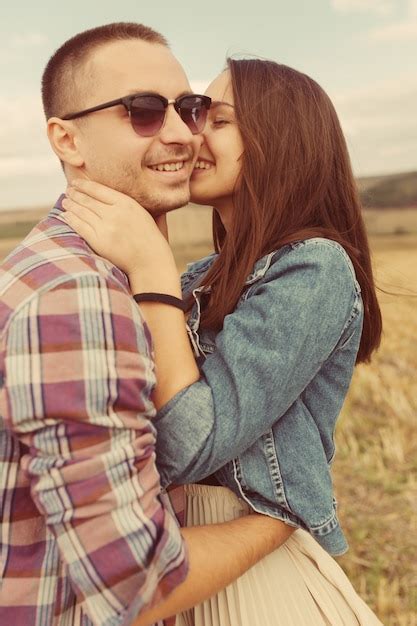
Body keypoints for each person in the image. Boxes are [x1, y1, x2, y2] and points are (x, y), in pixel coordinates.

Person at [62, 59, 384, 625]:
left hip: (254, 571)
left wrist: (151, 270)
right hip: (182, 557)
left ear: (281, 140)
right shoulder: (201, 278)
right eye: (193, 112)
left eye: (216, 118)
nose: (189, 133)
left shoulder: (315, 267)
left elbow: (189, 448)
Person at [0, 24, 295, 626]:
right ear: (68, 140)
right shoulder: (77, 298)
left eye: (188, 108)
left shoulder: (100, 277)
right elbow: (139, 583)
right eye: (142, 111)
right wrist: (277, 521)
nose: (183, 134)